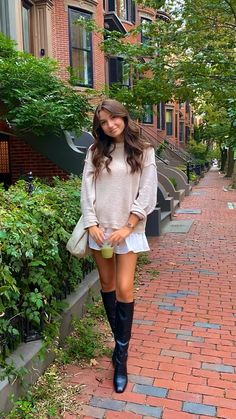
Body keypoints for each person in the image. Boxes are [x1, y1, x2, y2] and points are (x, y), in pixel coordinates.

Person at [81, 99, 158, 393]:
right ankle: (119, 345)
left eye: (113, 118)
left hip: (128, 230)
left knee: (125, 288)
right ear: (98, 126)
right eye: (103, 121)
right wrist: (91, 223)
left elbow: (148, 191)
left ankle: (121, 359)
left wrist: (128, 226)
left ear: (123, 117)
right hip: (100, 229)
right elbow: (86, 188)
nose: (110, 124)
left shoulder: (143, 150)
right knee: (107, 283)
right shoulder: (95, 151)